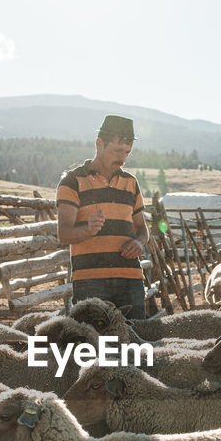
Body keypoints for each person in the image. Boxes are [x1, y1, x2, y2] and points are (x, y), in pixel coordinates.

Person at [56, 114, 150, 318]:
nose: (123, 158)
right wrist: (87, 230)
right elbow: (64, 234)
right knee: (91, 344)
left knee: (135, 344)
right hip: (90, 281)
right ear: (99, 144)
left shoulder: (131, 183)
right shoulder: (72, 182)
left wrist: (140, 243)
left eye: (127, 152)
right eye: (117, 150)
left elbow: (142, 229)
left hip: (130, 278)